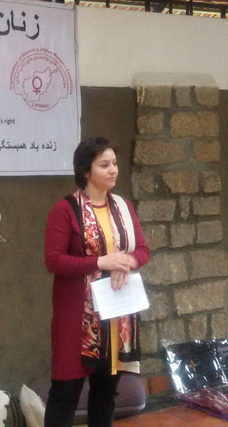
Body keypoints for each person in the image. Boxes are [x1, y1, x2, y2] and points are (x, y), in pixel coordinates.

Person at [44, 137, 150, 427]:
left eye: (114, 163)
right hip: (76, 318)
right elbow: (53, 260)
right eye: (104, 165)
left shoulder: (123, 207)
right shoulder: (65, 209)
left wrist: (126, 262)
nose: (113, 170)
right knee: (66, 392)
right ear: (86, 171)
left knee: (106, 392)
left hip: (115, 314)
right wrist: (101, 262)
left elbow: (142, 250)